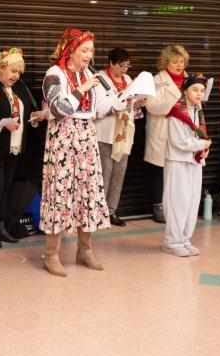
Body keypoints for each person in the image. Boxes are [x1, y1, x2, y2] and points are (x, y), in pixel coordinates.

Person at [40, 28, 110, 277]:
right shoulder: (54, 74)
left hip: (87, 137)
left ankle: (85, 249)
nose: (89, 55)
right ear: (71, 50)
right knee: (60, 191)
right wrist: (81, 89)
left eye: (91, 50)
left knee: (88, 191)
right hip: (63, 138)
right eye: (85, 50)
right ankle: (51, 254)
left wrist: (123, 100)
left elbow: (98, 109)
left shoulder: (89, 74)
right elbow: (58, 109)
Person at [0, 47, 40, 248]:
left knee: (6, 187)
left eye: (19, 72)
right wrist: (4, 123)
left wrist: (35, 116)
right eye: (13, 70)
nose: (16, 75)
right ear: (0, 69)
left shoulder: (20, 87)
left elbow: (28, 109)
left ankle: (1, 224)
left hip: (15, 145)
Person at [94, 48, 145, 227]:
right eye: (122, 65)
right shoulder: (100, 79)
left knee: (119, 173)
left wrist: (137, 104)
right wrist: (121, 102)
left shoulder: (129, 80)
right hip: (105, 133)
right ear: (111, 63)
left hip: (124, 134)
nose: (125, 69)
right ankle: (98, 213)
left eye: (127, 66)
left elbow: (131, 107)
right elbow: (98, 107)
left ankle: (111, 211)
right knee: (104, 174)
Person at [162, 74, 211, 257]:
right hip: (178, 161)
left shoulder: (198, 111)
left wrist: (204, 149)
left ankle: (184, 238)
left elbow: (201, 135)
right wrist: (201, 145)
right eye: (195, 90)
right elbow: (178, 142)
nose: (199, 94)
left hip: (194, 161)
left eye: (202, 90)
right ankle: (171, 241)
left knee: (191, 202)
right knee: (178, 201)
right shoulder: (176, 112)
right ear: (185, 90)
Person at [144, 44, 190, 224]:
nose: (179, 65)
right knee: (158, 170)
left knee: (178, 170)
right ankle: (158, 206)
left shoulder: (189, 79)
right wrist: (176, 103)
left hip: (182, 132)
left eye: (181, 61)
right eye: (174, 62)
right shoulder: (157, 80)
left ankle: (175, 205)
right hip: (161, 131)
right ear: (165, 63)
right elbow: (151, 105)